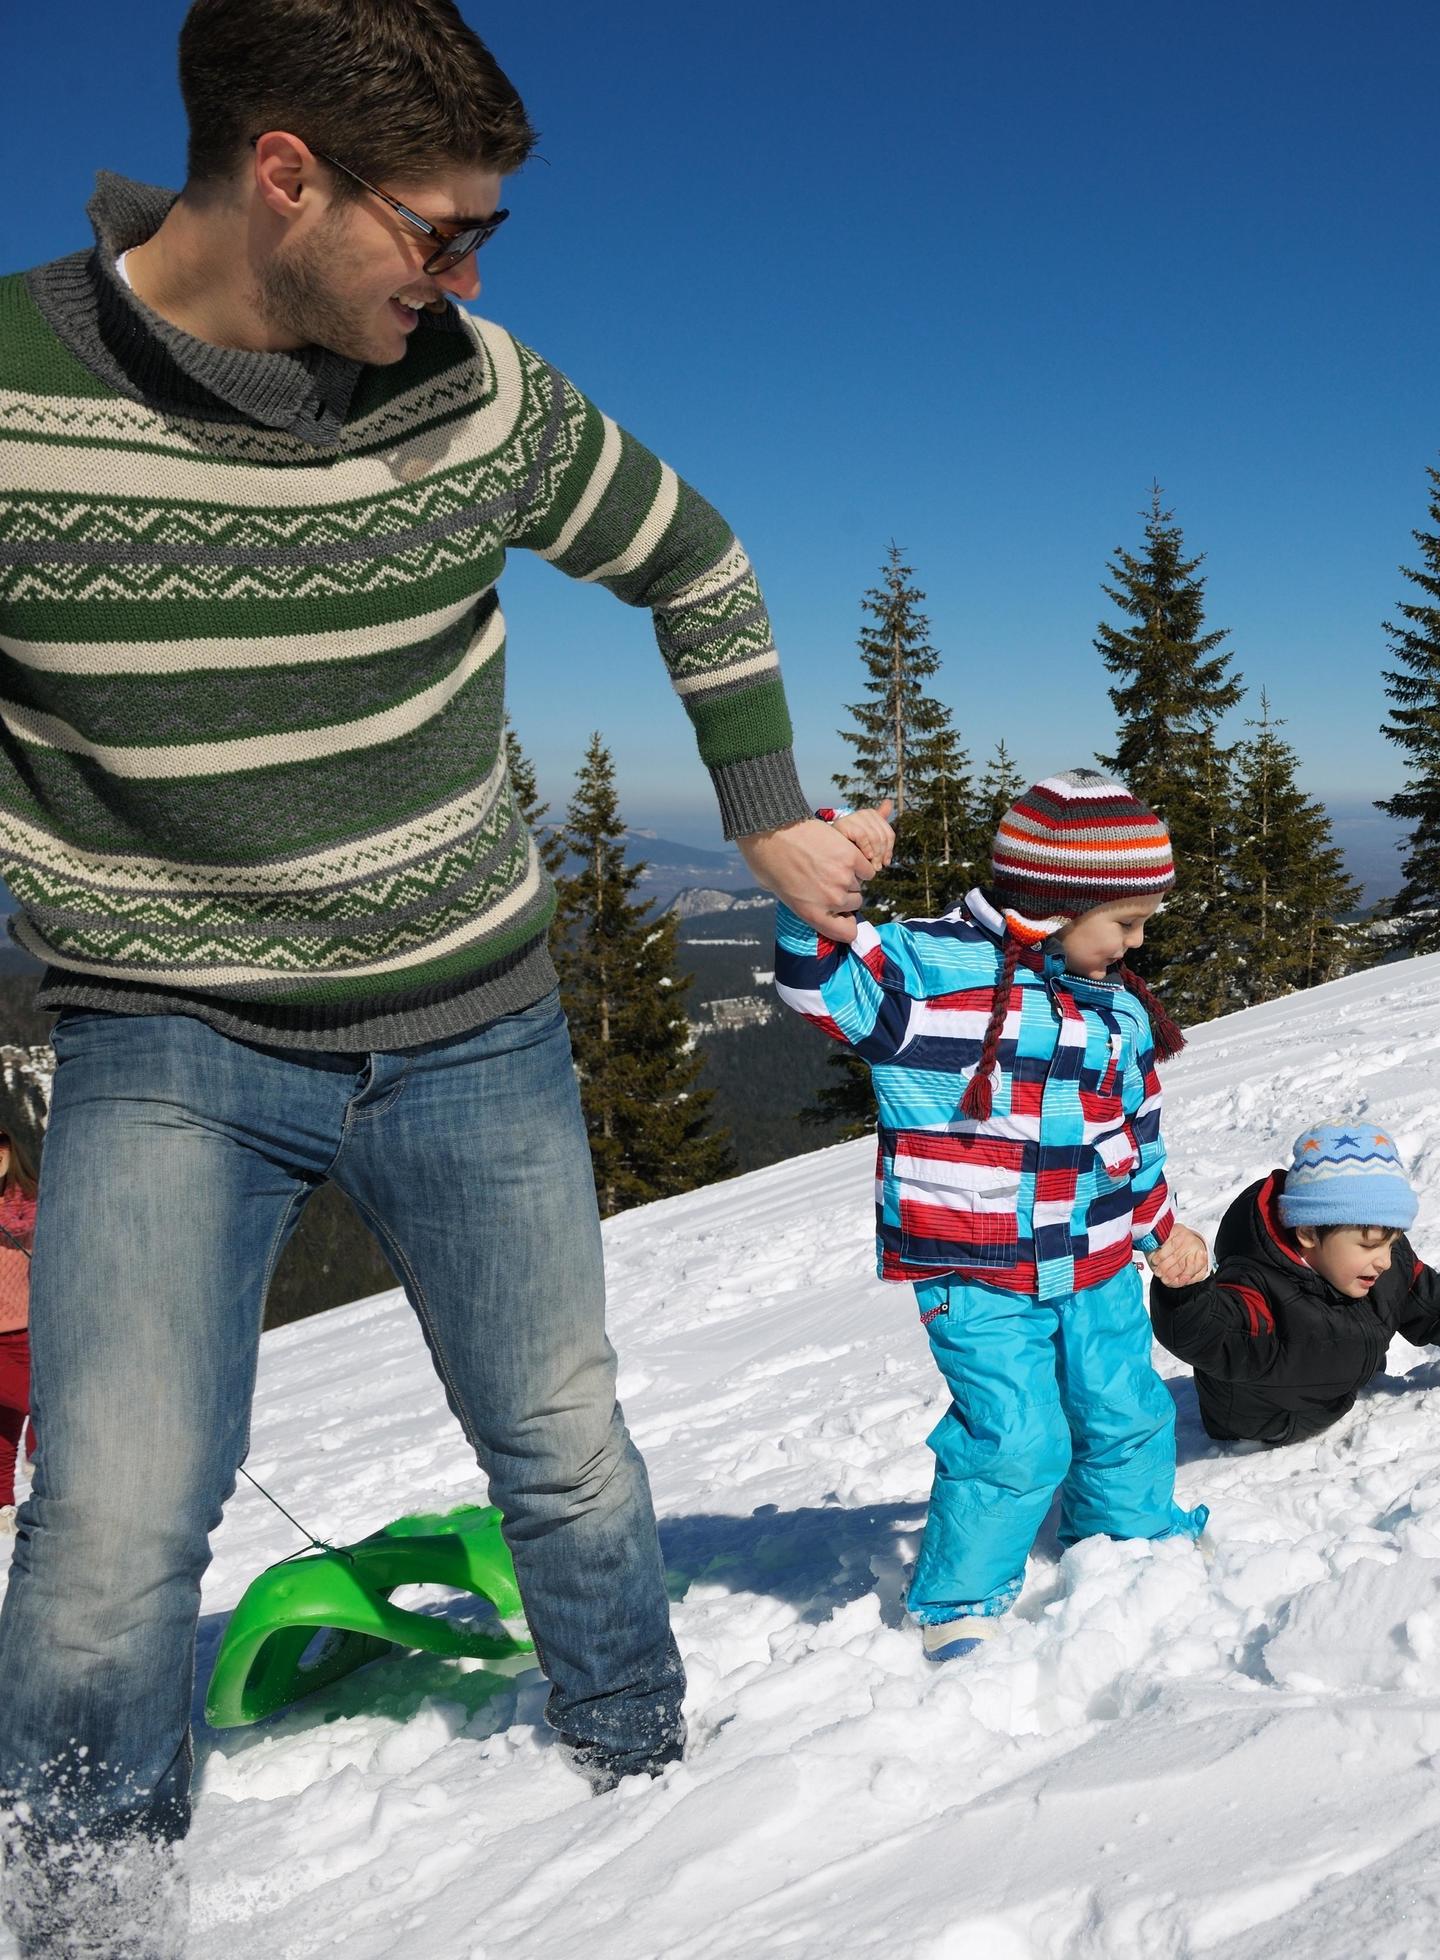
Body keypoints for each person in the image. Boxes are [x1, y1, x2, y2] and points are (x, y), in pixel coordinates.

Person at [0, 3, 877, 1945]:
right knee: (111, 1532)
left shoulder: (476, 393)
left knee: (563, 1445)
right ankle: (75, 1912)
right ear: (285, 172)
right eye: (442, 230)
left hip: (476, 1023)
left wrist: (764, 810)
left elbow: (696, 557)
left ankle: (645, 1787)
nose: (469, 278)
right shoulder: (13, 398)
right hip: (167, 1041)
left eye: (490, 237)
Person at [775, 773, 1210, 1662]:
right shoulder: (932, 973)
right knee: (1014, 1435)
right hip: (973, 1270)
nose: (1134, 946)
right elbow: (818, 983)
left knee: (1124, 1407)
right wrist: (823, 868)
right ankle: (960, 1595)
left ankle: (1127, 1542)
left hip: (1094, 1258)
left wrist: (1159, 1232)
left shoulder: (1118, 1012)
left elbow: (1133, 1141)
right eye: (1125, 922)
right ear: (1059, 901)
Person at [1150, 1125, 1440, 1448]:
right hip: (1254, 1427)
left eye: (1392, 1243)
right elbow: (1209, 1331)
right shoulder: (1256, 1284)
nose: (1385, 1260)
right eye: (1370, 1245)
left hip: (1333, 1394)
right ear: (1307, 1232)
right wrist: (1187, 1285)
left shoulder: (1379, 1266)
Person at [0, 1119, 36, 1523]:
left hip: (32, 1330)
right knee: (41, 1401)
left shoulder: (33, 1202)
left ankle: (2, 1507)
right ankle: (45, 1464)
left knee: (5, 1426)